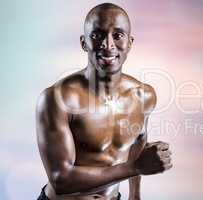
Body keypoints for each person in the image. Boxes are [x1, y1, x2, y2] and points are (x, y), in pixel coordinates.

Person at [36, 3, 172, 200]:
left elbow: (136, 147)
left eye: (117, 35)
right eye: (97, 35)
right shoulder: (57, 98)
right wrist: (134, 167)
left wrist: (135, 196)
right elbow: (60, 180)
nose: (108, 45)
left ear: (130, 42)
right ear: (84, 42)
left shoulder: (143, 96)